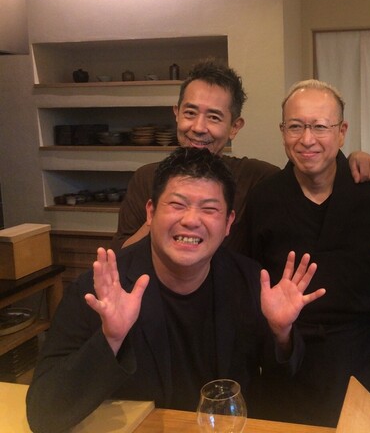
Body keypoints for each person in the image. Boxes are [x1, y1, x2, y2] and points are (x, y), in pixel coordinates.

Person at [26, 147, 325, 433]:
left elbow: (280, 387)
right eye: (177, 205)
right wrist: (110, 339)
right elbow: (43, 414)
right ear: (150, 212)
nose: (191, 220)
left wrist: (281, 333)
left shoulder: (247, 280)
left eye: (209, 209)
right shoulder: (102, 290)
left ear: (228, 223)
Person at [241, 79, 370, 427]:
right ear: (282, 132)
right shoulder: (264, 198)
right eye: (295, 127)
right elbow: (246, 277)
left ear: (342, 132)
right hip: (288, 350)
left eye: (320, 127)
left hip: (358, 349)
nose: (307, 139)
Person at [111, 59, 370, 253]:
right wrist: (163, 216)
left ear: (235, 127)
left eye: (214, 117)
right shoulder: (147, 178)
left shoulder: (255, 179)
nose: (198, 127)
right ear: (176, 114)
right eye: (190, 113)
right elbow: (120, 256)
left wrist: (352, 159)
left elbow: (307, 168)